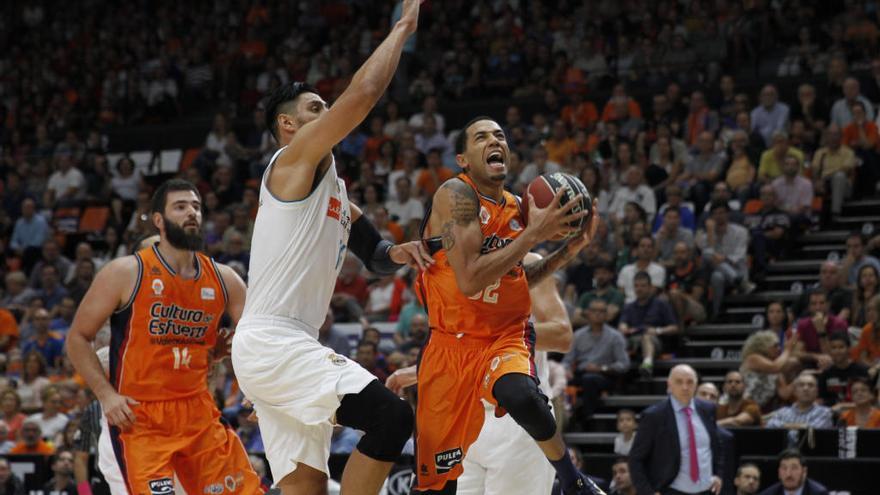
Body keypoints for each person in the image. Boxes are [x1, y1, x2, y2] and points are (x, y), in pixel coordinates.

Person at [231, 3, 429, 493]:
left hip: (284, 344)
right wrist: (402, 28)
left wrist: (400, 252)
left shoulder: (334, 191)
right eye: (316, 108)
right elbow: (362, 95)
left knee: (307, 487)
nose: (327, 113)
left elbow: (377, 256)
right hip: (275, 341)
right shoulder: (290, 162)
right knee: (391, 419)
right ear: (288, 127)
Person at [409, 114, 602, 495]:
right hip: (450, 344)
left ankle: (572, 478)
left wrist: (568, 250)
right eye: (480, 137)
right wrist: (534, 235)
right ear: (464, 159)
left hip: (502, 336)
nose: (493, 141)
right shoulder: (455, 194)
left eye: (499, 135)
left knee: (521, 394)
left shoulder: (517, 208)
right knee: (436, 485)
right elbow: (470, 281)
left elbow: (513, 281)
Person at [65, 180, 262, 494]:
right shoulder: (124, 273)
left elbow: (258, 338)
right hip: (141, 417)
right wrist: (106, 395)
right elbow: (77, 337)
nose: (191, 213)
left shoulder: (225, 279)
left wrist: (256, 386)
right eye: (180, 206)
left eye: (196, 206)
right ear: (159, 220)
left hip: (198, 410)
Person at [387, 250, 583, 495]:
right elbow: (454, 343)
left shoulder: (527, 260)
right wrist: (422, 370)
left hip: (516, 419)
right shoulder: (452, 262)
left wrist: (487, 334)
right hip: (461, 413)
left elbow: (561, 334)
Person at [628, 364, 723, 495]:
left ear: (696, 384)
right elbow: (635, 458)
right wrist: (647, 492)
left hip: (707, 490)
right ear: (669, 385)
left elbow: (716, 446)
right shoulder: (654, 416)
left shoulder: (708, 409)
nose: (685, 387)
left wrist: (718, 474)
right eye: (679, 382)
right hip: (671, 490)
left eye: (690, 382)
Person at [565, 299, 630, 422]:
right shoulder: (578, 335)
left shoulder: (615, 336)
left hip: (605, 375)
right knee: (560, 379)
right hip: (581, 373)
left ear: (606, 315)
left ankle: (588, 418)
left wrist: (601, 368)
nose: (598, 314)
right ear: (588, 313)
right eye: (594, 311)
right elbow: (567, 360)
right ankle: (561, 421)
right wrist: (566, 370)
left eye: (602, 311)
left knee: (589, 379)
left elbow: (624, 364)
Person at [619, 272, 677, 376]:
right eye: (636, 286)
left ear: (650, 287)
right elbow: (622, 324)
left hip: (655, 341)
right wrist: (624, 328)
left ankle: (647, 365)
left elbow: (674, 327)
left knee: (647, 337)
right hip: (634, 340)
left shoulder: (661, 304)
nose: (639, 289)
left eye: (643, 286)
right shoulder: (629, 307)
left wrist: (657, 330)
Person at [817, 333, 868, 407]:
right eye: (833, 348)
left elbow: (869, 399)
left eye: (841, 347)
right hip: (832, 413)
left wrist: (843, 406)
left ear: (849, 349)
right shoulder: (825, 374)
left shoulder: (861, 371)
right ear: (830, 351)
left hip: (857, 410)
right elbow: (821, 399)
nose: (837, 351)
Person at [766, 373, 833, 429]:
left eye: (810, 385)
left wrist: (784, 426)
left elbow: (815, 428)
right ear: (794, 391)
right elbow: (770, 425)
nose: (805, 388)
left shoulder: (824, 412)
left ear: (817, 392)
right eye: (801, 385)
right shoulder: (782, 412)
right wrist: (799, 426)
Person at [756, 450, 828, 495]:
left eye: (794, 468)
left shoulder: (818, 493)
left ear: (804, 471)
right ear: (779, 473)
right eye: (784, 468)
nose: (788, 474)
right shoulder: (769, 493)